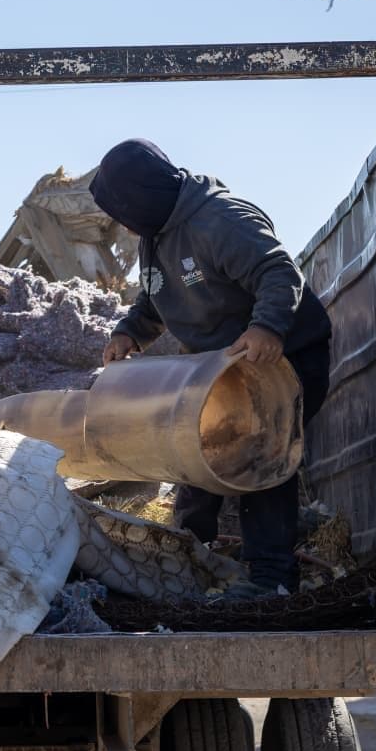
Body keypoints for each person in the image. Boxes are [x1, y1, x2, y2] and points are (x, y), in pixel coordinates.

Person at [89, 138, 332, 598]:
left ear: (141, 197)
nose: (120, 223)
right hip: (222, 374)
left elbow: (279, 271)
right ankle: (189, 558)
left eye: (121, 210)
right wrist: (129, 332)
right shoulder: (155, 234)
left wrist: (267, 326)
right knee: (195, 457)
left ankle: (271, 581)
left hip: (285, 358)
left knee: (260, 455)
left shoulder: (220, 219)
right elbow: (154, 296)